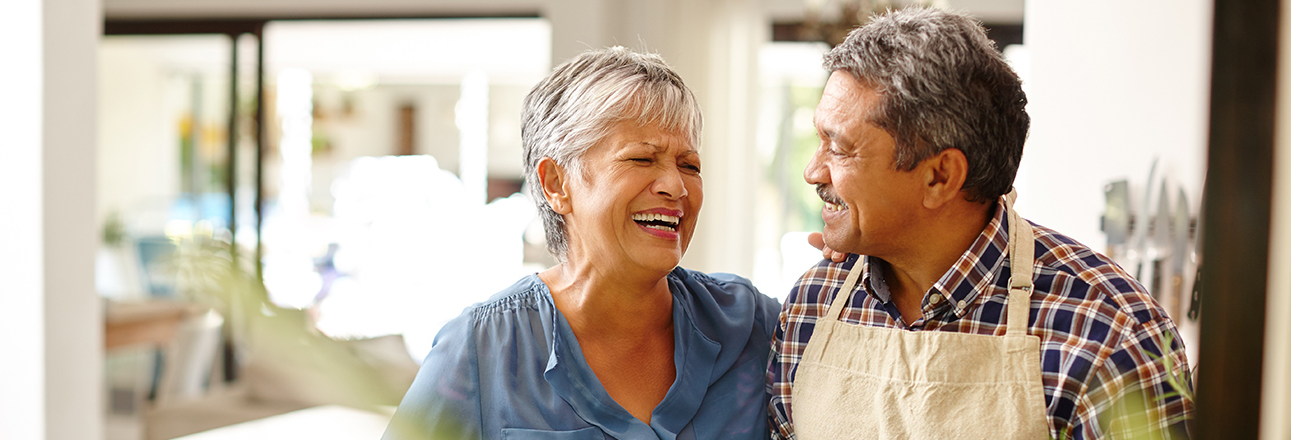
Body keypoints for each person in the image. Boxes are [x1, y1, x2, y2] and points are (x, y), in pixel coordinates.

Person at [766, 7, 1194, 439]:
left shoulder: (1111, 333)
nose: (812, 171)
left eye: (837, 148)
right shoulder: (813, 304)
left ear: (940, 176)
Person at [383, 47, 780, 440]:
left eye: (689, 165)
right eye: (642, 159)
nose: (676, 186)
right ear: (556, 184)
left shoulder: (750, 325)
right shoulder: (482, 349)